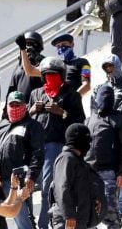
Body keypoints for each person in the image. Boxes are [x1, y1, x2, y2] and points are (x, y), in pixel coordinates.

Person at [28, 57, 85, 229]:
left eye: (54, 74)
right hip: (34, 145)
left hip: (55, 145)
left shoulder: (71, 94)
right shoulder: (36, 93)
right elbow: (25, 118)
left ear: (61, 75)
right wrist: (31, 110)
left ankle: (44, 224)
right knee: (27, 185)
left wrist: (62, 113)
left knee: (47, 186)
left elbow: (79, 120)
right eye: (47, 75)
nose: (50, 78)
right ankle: (29, 220)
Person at [0, 91, 45, 229]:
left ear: (25, 106)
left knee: (23, 219)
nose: (14, 108)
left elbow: (37, 154)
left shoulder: (33, 126)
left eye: (18, 105)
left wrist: (31, 176)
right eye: (11, 105)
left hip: (16, 181)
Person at [85, 84, 122, 229]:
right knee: (88, 215)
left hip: (109, 174)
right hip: (88, 173)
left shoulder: (119, 119)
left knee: (110, 214)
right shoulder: (89, 120)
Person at [16, 32, 92, 97]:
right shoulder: (53, 64)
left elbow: (86, 85)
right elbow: (30, 71)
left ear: (72, 44)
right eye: (58, 46)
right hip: (55, 107)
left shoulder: (82, 62)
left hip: (73, 108)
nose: (61, 47)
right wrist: (23, 49)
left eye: (64, 44)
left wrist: (73, 98)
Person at [50, 123, 95, 229]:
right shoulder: (66, 158)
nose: (88, 144)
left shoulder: (79, 161)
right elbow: (62, 188)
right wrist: (69, 215)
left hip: (78, 219)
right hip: (67, 220)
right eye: (87, 140)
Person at [10, 31, 45, 102]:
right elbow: (11, 90)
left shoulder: (44, 63)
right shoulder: (18, 67)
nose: (29, 47)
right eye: (26, 44)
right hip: (21, 109)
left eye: (32, 44)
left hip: (38, 107)